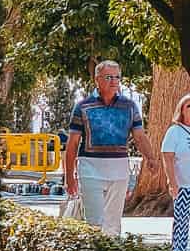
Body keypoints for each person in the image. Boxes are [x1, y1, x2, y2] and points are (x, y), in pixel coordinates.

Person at [63, 61, 158, 236]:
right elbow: (72, 144)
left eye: (117, 77)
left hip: (119, 170)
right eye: (108, 77)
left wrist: (150, 158)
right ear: (97, 79)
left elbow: (140, 136)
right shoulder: (82, 107)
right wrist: (69, 177)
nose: (114, 81)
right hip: (90, 169)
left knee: (113, 223)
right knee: (95, 222)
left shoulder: (129, 106)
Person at [161, 91, 190, 251]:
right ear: (182, 110)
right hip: (183, 186)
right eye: (189, 106)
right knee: (182, 222)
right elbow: (168, 158)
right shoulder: (175, 132)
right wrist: (172, 183)